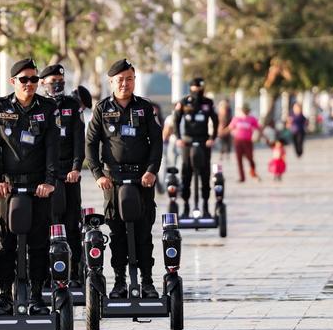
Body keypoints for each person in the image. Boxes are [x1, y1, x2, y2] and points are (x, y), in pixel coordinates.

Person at [85, 58, 163, 299]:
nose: (124, 84)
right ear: (111, 82)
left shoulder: (145, 108)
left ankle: (147, 281)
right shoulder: (102, 109)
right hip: (113, 180)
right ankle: (119, 282)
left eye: (129, 79)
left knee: (143, 233)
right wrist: (98, 174)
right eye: (120, 80)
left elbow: (157, 141)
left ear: (134, 80)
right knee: (117, 233)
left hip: (142, 179)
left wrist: (152, 171)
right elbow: (90, 143)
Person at [0, 58, 59, 315]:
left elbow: (52, 148)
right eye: (24, 79)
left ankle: (37, 297)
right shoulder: (0, 107)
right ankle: (5, 297)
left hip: (38, 187)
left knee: (39, 244)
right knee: (6, 244)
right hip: (8, 187)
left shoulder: (48, 108)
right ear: (13, 81)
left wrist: (49, 182)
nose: (29, 84)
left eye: (34, 79)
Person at [38, 63, 86, 287]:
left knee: (71, 223)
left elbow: (79, 140)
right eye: (53, 82)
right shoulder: (39, 106)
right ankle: (45, 273)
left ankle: (74, 271)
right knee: (46, 223)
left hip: (69, 174)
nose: (57, 85)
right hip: (46, 176)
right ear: (43, 83)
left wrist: (76, 168)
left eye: (60, 82)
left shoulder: (72, 106)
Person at [172, 77, 219, 217]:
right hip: (188, 141)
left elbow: (215, 121)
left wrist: (212, 138)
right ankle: (186, 208)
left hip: (204, 141)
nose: (198, 91)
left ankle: (205, 207)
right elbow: (176, 120)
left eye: (200, 88)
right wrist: (178, 138)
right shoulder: (184, 102)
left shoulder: (208, 103)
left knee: (205, 174)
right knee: (186, 173)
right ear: (191, 88)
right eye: (195, 88)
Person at [230, 104, 261, 182]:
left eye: (247, 110)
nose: (245, 112)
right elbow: (230, 128)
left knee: (250, 157)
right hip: (238, 141)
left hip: (247, 141)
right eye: (244, 110)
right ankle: (242, 177)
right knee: (239, 159)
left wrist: (264, 137)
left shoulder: (252, 119)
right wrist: (221, 133)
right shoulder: (236, 119)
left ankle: (253, 171)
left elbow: (258, 128)